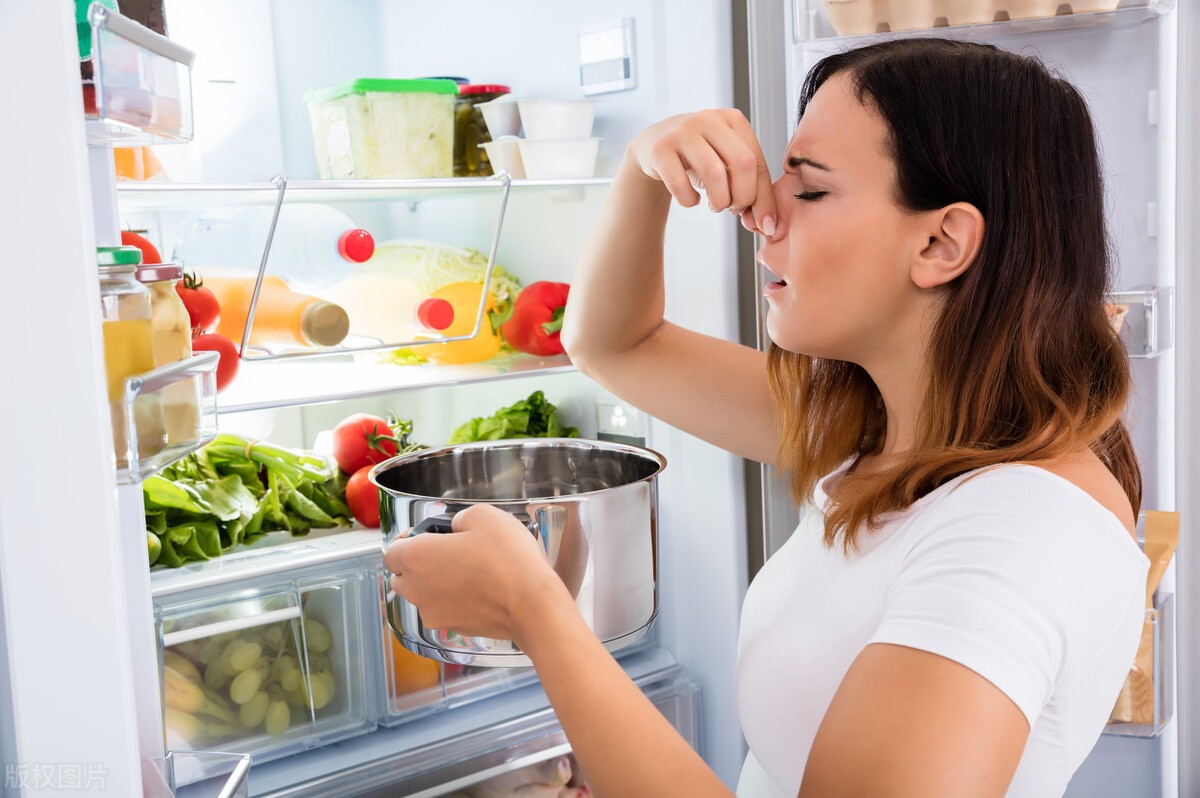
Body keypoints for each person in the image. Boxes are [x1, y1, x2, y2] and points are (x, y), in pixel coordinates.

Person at [384, 37, 1150, 797]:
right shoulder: (884, 435)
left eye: (810, 190)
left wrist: (536, 611)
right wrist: (644, 169)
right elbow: (613, 342)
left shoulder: (1019, 530)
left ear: (941, 242)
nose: (762, 213)